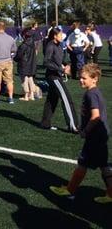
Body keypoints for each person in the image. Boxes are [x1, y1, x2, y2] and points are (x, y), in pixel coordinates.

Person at [50, 64, 112, 204]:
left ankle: (70, 190)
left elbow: (95, 116)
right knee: (103, 165)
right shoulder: (94, 92)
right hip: (100, 135)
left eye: (84, 78)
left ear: (94, 79)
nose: (80, 80)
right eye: (80, 77)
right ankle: (110, 194)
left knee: (83, 162)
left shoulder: (91, 94)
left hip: (95, 136)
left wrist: (85, 131)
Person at [40, 28, 79, 133]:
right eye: (60, 35)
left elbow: (60, 60)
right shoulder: (50, 46)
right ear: (55, 36)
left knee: (51, 100)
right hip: (53, 77)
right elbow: (46, 62)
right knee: (66, 98)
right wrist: (61, 69)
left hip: (57, 75)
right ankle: (73, 125)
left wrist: (67, 65)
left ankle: (45, 123)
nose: (62, 37)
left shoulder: (59, 46)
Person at [13, 29, 38, 101]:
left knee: (24, 80)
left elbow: (18, 56)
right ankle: (32, 95)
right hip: (32, 64)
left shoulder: (23, 45)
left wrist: (14, 58)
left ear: (24, 36)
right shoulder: (33, 44)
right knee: (30, 79)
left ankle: (26, 96)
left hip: (24, 65)